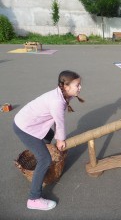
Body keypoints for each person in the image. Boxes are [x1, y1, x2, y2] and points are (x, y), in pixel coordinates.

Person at [13, 70, 84, 211]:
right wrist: (60, 140)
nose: (80, 87)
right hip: (24, 127)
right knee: (45, 160)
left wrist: (58, 138)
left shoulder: (62, 94)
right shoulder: (57, 101)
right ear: (66, 86)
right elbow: (60, 121)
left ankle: (41, 152)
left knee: (49, 134)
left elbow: (57, 122)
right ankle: (34, 199)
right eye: (77, 85)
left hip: (30, 122)